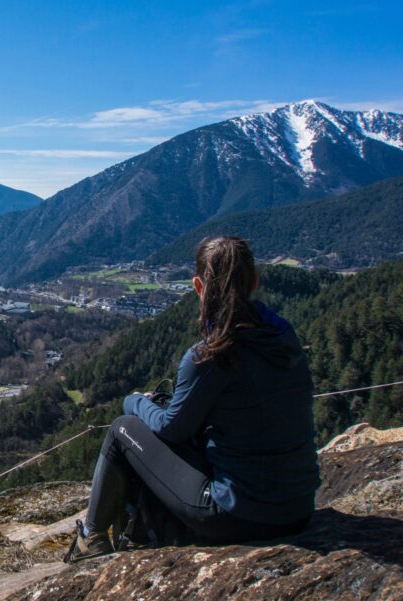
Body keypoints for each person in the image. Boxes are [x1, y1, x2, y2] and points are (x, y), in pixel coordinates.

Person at [67, 236, 321, 561]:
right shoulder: (284, 340)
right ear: (255, 281)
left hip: (236, 514)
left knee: (122, 429)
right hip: (299, 508)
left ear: (199, 286)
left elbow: (171, 429)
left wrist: (134, 402)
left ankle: (91, 541)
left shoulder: (212, 355)